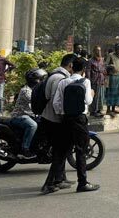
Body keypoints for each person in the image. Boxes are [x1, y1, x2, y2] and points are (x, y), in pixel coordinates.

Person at [52, 56, 99, 193]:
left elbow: (56, 103)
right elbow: (88, 101)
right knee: (80, 151)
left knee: (63, 149)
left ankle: (56, 179)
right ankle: (82, 182)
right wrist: (91, 93)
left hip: (66, 119)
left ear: (72, 67)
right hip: (80, 119)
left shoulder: (63, 82)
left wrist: (62, 113)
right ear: (84, 69)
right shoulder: (85, 82)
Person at [40, 53, 75, 195]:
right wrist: (64, 119)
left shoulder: (53, 75)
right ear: (71, 65)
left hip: (48, 117)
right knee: (59, 153)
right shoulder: (60, 79)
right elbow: (57, 102)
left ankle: (60, 179)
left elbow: (48, 96)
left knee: (61, 151)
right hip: (55, 120)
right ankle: (48, 184)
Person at [9, 68, 46, 159]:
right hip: (19, 116)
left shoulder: (34, 89)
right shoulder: (26, 90)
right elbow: (37, 101)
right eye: (39, 79)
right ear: (33, 80)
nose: (40, 81)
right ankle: (24, 149)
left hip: (30, 115)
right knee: (32, 125)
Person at [104, 43, 119, 115]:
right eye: (118, 48)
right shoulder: (110, 55)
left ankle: (113, 109)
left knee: (117, 94)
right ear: (115, 48)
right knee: (111, 92)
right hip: (113, 76)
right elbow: (105, 65)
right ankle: (108, 109)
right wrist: (110, 66)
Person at [87, 47, 107, 117]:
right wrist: (89, 80)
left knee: (101, 96)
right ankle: (93, 111)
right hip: (94, 80)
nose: (98, 52)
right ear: (94, 51)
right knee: (95, 96)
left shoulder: (102, 60)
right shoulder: (90, 61)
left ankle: (99, 110)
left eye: (99, 50)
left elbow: (104, 70)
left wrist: (105, 78)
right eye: (97, 51)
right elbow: (88, 71)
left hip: (101, 80)